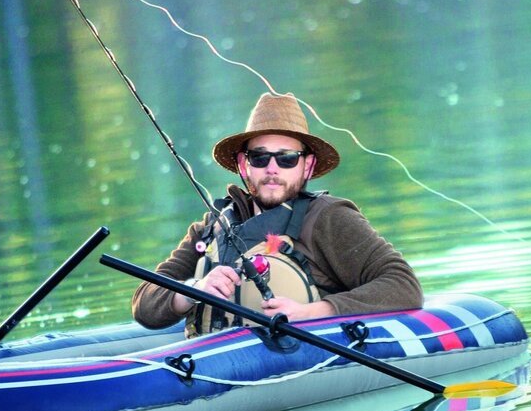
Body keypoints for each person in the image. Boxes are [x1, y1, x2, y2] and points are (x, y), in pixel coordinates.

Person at [132, 92, 422, 334]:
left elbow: (403, 285)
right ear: (244, 165)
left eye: (286, 158)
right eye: (260, 157)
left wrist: (312, 312)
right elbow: (144, 305)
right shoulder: (212, 226)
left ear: (307, 166)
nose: (272, 169)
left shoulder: (330, 218)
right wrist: (195, 288)